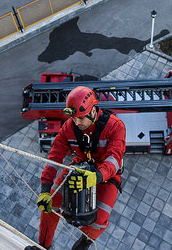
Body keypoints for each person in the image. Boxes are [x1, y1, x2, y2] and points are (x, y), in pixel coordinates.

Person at [25, 86, 126, 250]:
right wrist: (45, 188)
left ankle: (85, 242)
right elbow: (55, 157)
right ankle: (43, 246)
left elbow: (114, 159)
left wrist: (96, 177)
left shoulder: (115, 126)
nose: (76, 122)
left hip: (106, 177)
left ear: (93, 111)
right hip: (79, 167)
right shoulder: (69, 127)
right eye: (73, 118)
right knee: (50, 204)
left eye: (80, 118)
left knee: (100, 219)